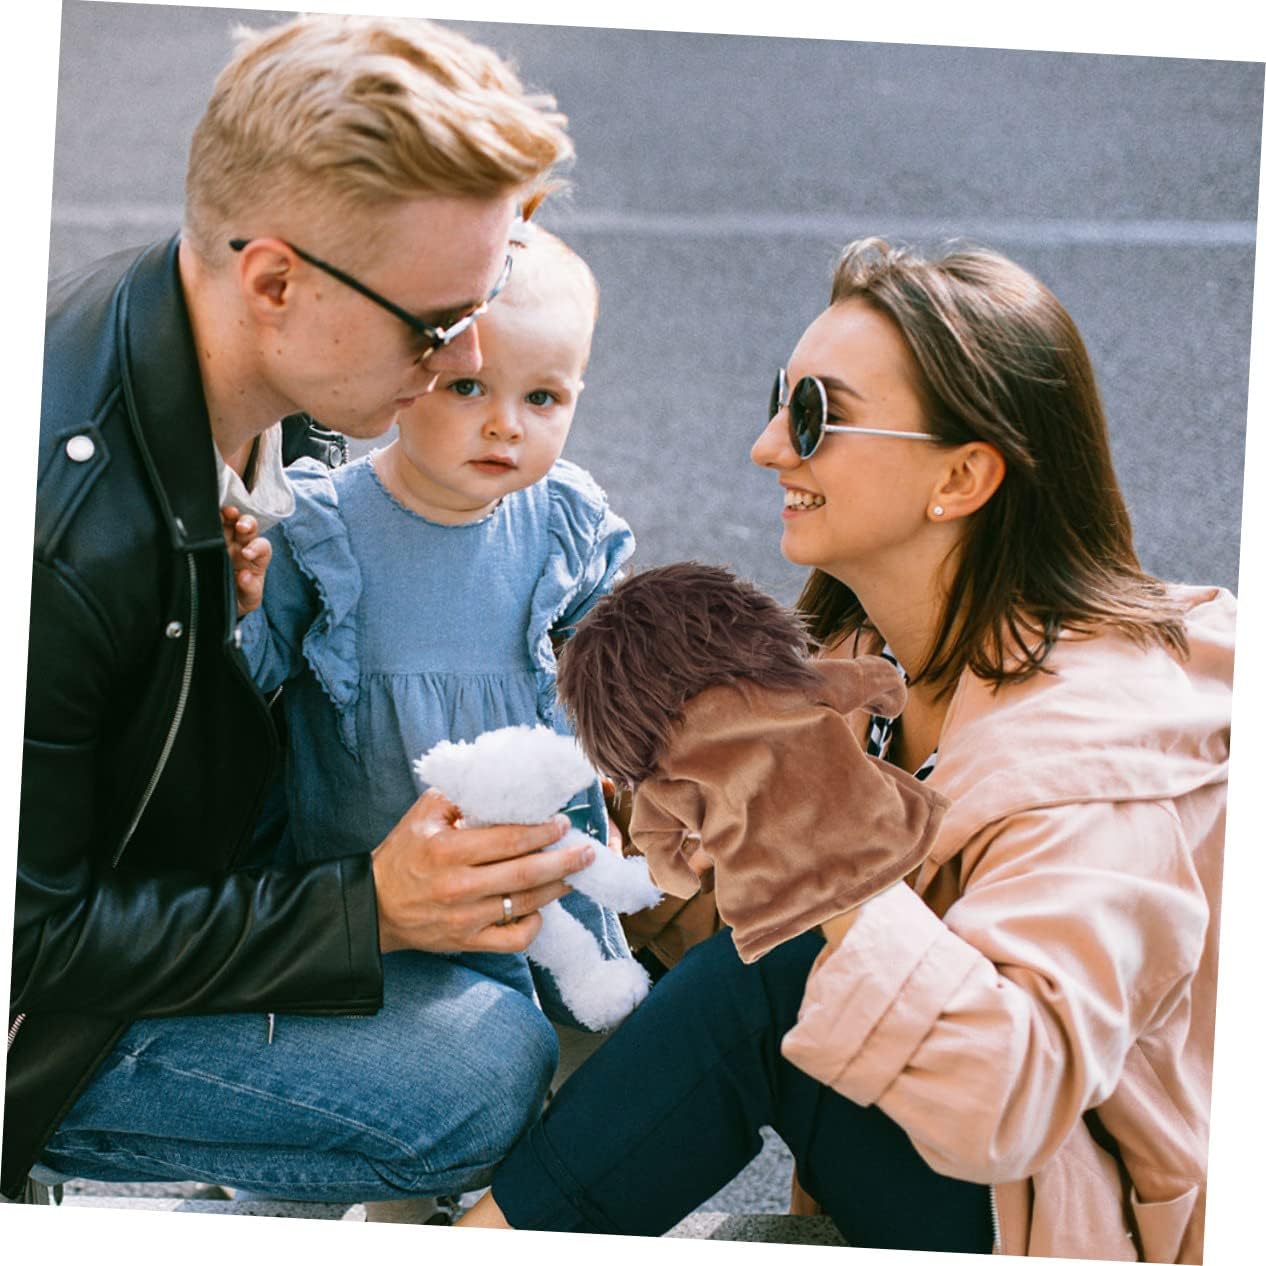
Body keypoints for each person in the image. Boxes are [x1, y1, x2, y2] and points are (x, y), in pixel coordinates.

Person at [458, 237, 1232, 1264]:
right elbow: (758, 915)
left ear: (961, 476)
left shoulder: (1097, 754)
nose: (768, 447)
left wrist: (809, 825)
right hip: (968, 1180)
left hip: (1070, 1221)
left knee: (773, 975)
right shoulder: (878, 661)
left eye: (816, 415)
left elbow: (1011, 1092)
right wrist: (623, 813)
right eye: (779, 400)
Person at [5, 13, 592, 1206]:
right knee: (478, 1067)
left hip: (161, 865)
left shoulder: (248, 352)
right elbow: (31, 940)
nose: (463, 350)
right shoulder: (62, 538)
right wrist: (363, 911)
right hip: (41, 1014)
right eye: (435, 324)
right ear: (275, 280)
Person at [235, 222, 638, 1028]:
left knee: (577, 1010)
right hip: (379, 895)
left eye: (542, 398)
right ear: (410, 372)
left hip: (537, 856)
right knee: (461, 1039)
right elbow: (244, 679)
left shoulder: (563, 520)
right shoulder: (323, 530)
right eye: (468, 388)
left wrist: (627, 765)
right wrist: (236, 601)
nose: (506, 425)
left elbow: (615, 653)